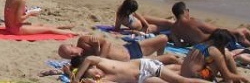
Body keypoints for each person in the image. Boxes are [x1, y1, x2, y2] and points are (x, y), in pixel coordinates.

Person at [167, 2, 250, 49]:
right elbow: (217, 30)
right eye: (188, 11)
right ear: (185, 11)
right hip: (215, 42)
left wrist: (187, 42)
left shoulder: (174, 29)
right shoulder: (193, 22)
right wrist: (235, 32)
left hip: (202, 46)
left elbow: (178, 45)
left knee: (240, 35)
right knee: (243, 32)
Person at [68, 55, 212, 83]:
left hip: (145, 66)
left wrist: (75, 79)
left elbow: (88, 59)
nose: (96, 75)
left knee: (181, 80)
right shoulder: (101, 80)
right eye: (93, 76)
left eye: (93, 72)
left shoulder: (98, 62)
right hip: (143, 79)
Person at [3, 0, 73, 35]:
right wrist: (30, 13)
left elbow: (13, 13)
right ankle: (76, 33)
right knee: (49, 30)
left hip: (8, 27)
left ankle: (61, 27)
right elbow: (19, 19)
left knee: (41, 25)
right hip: (15, 30)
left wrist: (27, 12)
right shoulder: (21, 0)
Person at [181, 29, 249, 83]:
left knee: (216, 60)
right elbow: (227, 75)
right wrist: (241, 77)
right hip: (195, 80)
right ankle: (235, 81)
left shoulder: (199, 45)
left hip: (183, 78)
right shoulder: (214, 51)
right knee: (226, 56)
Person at [58, 33, 178, 63]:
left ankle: (159, 58)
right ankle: (161, 60)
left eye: (71, 52)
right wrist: (98, 52)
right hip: (131, 62)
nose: (73, 56)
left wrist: (100, 57)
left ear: (71, 46)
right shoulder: (81, 60)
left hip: (129, 49)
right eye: (70, 57)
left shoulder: (83, 41)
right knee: (170, 59)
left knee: (163, 38)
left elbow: (107, 43)